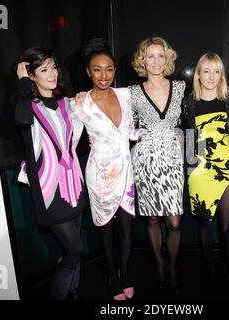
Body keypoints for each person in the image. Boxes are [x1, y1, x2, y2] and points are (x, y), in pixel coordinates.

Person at [14, 47, 86, 300]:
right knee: (74, 250)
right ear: (32, 75)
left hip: (74, 185)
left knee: (76, 249)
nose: (52, 73)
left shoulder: (68, 104)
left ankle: (73, 290)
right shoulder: (27, 106)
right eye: (43, 69)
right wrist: (23, 82)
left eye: (53, 67)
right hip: (49, 190)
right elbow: (22, 121)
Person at [70, 38, 137, 300]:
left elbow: (131, 133)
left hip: (126, 173)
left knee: (127, 229)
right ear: (88, 71)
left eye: (109, 69)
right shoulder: (80, 103)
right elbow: (70, 142)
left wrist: (162, 135)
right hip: (99, 175)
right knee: (106, 229)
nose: (104, 75)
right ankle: (113, 279)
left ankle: (126, 275)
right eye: (97, 69)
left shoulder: (125, 95)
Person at [129, 36, 185, 292]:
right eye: (150, 56)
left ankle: (174, 264)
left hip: (173, 160)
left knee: (174, 222)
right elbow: (125, 127)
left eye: (161, 55)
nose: (156, 61)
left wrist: (194, 161)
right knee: (152, 219)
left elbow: (191, 124)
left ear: (168, 58)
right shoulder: (132, 92)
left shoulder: (182, 88)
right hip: (146, 161)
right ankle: (159, 263)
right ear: (142, 60)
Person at [181, 53, 229, 286]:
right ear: (198, 74)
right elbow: (188, 139)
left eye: (217, 71)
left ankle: (227, 264)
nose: (211, 76)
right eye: (206, 71)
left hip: (226, 168)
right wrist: (191, 170)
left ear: (222, 75)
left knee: (226, 227)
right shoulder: (189, 102)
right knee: (204, 224)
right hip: (200, 169)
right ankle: (208, 267)